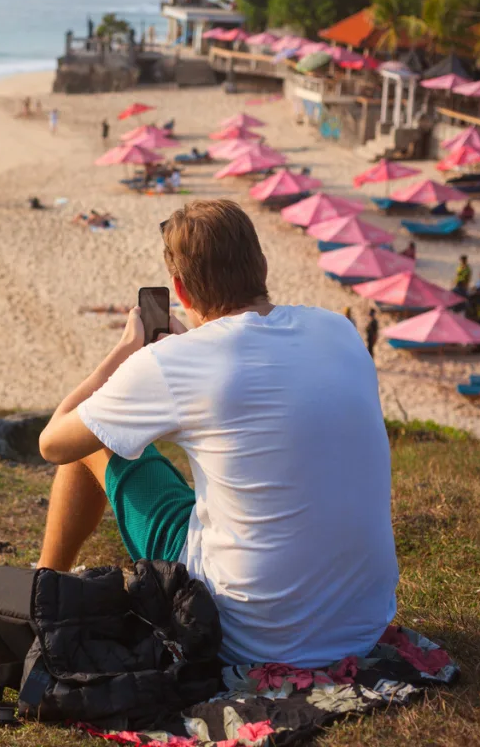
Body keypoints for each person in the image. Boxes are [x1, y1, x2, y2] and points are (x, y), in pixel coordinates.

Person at [37, 198, 398, 668]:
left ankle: (43, 589)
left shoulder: (172, 364)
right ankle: (45, 586)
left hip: (248, 636)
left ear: (180, 290)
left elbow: (53, 442)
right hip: (361, 625)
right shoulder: (340, 331)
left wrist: (126, 349)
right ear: (262, 266)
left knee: (96, 441)